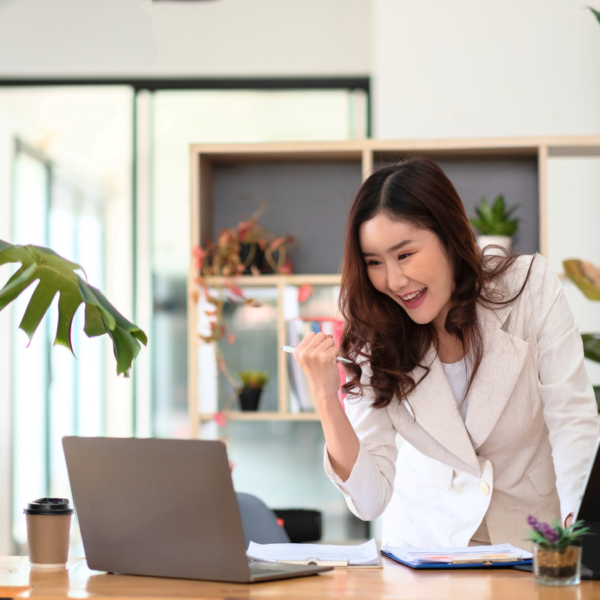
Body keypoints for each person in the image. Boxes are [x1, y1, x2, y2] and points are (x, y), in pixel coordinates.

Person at [294, 158, 600, 549]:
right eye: (374, 262)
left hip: (531, 542)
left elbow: (573, 421)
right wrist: (325, 397)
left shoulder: (530, 288)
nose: (393, 280)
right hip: (427, 551)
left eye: (404, 255)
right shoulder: (375, 336)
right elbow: (370, 500)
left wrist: (575, 537)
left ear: (449, 234)